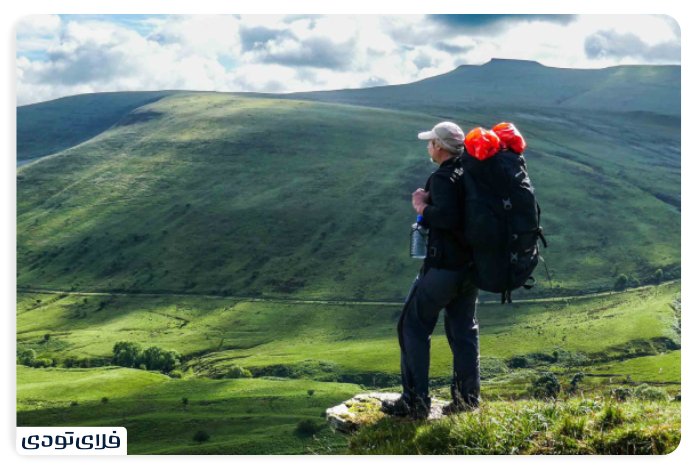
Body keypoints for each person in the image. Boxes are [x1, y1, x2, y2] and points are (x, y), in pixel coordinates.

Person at [383, 121, 480, 419]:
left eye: (430, 142)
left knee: (411, 327)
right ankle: (466, 400)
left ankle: (415, 402)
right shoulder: (471, 171)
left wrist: (422, 206)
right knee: (463, 330)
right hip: (470, 269)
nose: (428, 146)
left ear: (439, 146)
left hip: (443, 269)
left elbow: (447, 218)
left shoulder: (442, 178)